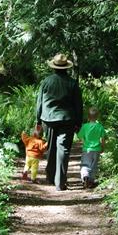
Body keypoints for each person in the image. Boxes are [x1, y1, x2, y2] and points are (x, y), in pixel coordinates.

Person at [36, 53, 83, 191]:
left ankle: (50, 177)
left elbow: (39, 102)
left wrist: (37, 120)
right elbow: (78, 105)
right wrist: (78, 122)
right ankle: (60, 182)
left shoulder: (46, 82)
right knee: (64, 149)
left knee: (51, 148)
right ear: (66, 68)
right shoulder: (72, 83)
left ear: (54, 67)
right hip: (67, 120)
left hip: (48, 119)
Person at [77, 107, 106, 189]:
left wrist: (84, 142)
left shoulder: (85, 126)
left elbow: (80, 136)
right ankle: (91, 181)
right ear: (97, 117)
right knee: (94, 166)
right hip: (97, 149)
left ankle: (85, 176)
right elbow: (103, 139)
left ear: (88, 117)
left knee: (85, 164)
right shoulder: (100, 127)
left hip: (87, 149)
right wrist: (102, 147)